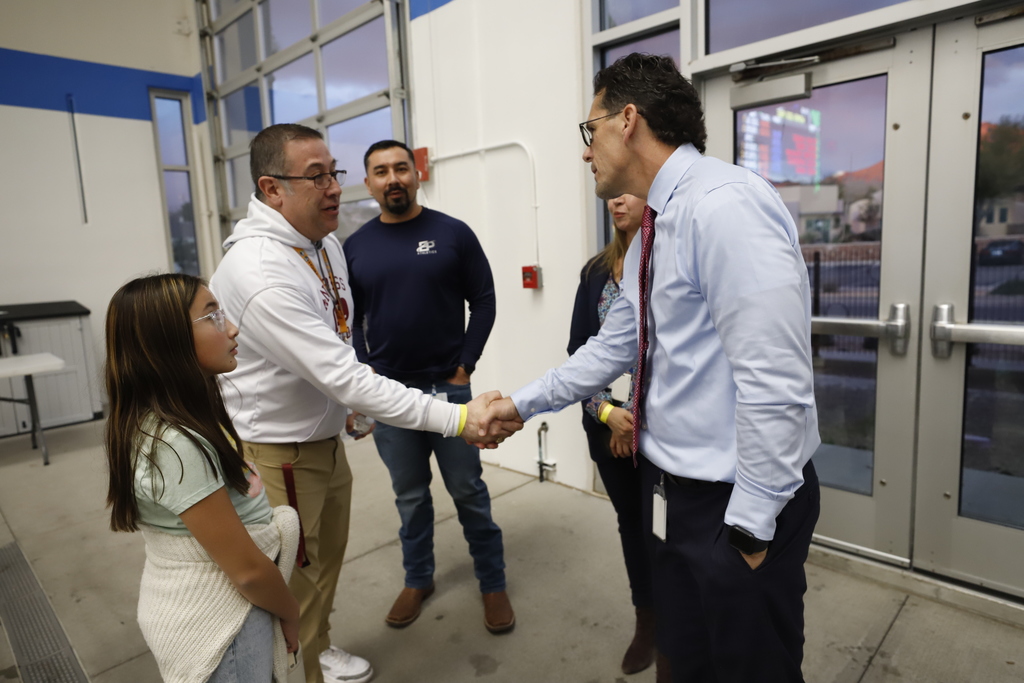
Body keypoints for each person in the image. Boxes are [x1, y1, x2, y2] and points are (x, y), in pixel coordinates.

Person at [484, 53, 821, 682]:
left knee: (751, 670)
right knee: (685, 664)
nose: (587, 152)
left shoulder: (724, 206)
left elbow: (776, 384)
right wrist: (520, 405)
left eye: (591, 131)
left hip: (735, 506)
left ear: (628, 120)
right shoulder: (657, 224)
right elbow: (614, 345)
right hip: (675, 496)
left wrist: (748, 535)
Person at [209, 124, 520, 683]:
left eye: (334, 172)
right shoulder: (263, 272)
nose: (334, 187)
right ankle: (305, 662)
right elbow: (339, 366)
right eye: (316, 176)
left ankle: (321, 647)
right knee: (307, 566)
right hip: (287, 446)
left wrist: (459, 373)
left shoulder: (323, 244)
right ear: (271, 188)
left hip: (344, 425)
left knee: (333, 558)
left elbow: (341, 330)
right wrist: (458, 417)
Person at [343, 139, 513, 634]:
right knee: (411, 496)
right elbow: (349, 318)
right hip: (389, 396)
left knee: (467, 490)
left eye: (401, 168)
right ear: (369, 181)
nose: (392, 178)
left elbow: (483, 299)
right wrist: (362, 367)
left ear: (416, 174)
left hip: (449, 389)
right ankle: (419, 579)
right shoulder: (356, 246)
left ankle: (493, 581)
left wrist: (464, 366)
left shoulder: (451, 233)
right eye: (380, 171)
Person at [103, 274, 301, 683]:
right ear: (167, 339)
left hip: (236, 616)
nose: (231, 328)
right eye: (212, 317)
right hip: (225, 631)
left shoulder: (185, 418)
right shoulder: (174, 446)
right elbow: (246, 570)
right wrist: (291, 610)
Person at [568, 193, 654, 675]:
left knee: (663, 528)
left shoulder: (670, 264)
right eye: (610, 194)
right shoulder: (595, 273)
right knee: (631, 526)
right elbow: (579, 355)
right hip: (606, 431)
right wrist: (608, 414)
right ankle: (648, 622)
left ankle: (679, 621)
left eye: (628, 190)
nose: (616, 200)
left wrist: (636, 413)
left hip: (660, 433)